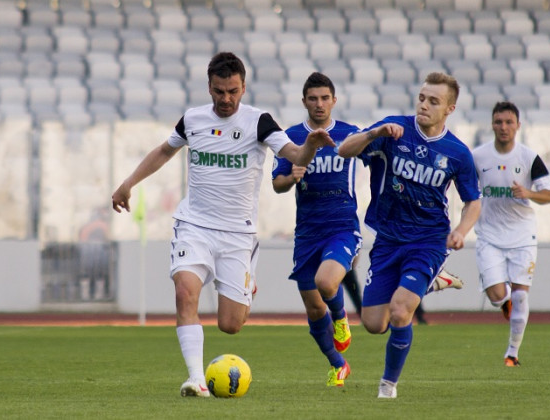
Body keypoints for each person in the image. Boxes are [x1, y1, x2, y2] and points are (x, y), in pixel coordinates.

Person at [111, 52, 334, 397]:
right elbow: (163, 151)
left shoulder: (259, 121)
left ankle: (247, 285)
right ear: (209, 88)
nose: (226, 99)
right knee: (186, 293)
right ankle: (196, 379)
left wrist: (310, 147)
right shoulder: (193, 119)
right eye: (219, 91)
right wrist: (128, 184)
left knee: (231, 325)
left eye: (232, 91)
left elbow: (292, 155)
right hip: (194, 224)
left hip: (237, 234)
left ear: (243, 87)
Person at [338, 72, 481, 398]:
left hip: (429, 240)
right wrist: (374, 133)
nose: (424, 105)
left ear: (449, 109)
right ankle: (434, 281)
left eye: (434, 101)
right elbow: (345, 150)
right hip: (388, 239)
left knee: (402, 310)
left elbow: (473, 201)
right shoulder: (392, 129)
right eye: (421, 98)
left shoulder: (457, 153)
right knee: (374, 323)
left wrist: (460, 230)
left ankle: (388, 386)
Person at [271, 72, 360, 387]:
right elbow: (277, 185)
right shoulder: (291, 136)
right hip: (307, 232)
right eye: (313, 98)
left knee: (326, 282)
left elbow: (378, 156)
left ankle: (340, 318)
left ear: (334, 100)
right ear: (304, 102)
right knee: (311, 307)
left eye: (325, 98)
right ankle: (338, 364)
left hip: (341, 226)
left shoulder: (350, 134)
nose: (319, 104)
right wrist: (292, 177)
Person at [471, 101, 550, 367]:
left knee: (520, 295)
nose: (503, 127)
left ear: (518, 125)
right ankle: (505, 304)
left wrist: (528, 193)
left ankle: (512, 353)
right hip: (489, 235)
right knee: (497, 295)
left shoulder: (529, 158)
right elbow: (466, 189)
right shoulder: (478, 157)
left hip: (522, 235)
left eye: (509, 122)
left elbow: (549, 195)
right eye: (498, 122)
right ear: (492, 125)